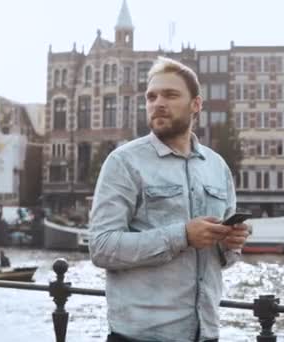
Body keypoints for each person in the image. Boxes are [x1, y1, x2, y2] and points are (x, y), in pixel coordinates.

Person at [89, 57, 249, 342]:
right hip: (142, 337)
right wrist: (183, 235)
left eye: (171, 95)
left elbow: (221, 261)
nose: (158, 103)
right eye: (152, 96)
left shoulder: (217, 167)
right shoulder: (124, 162)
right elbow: (101, 247)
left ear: (196, 105)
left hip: (206, 333)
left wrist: (229, 245)